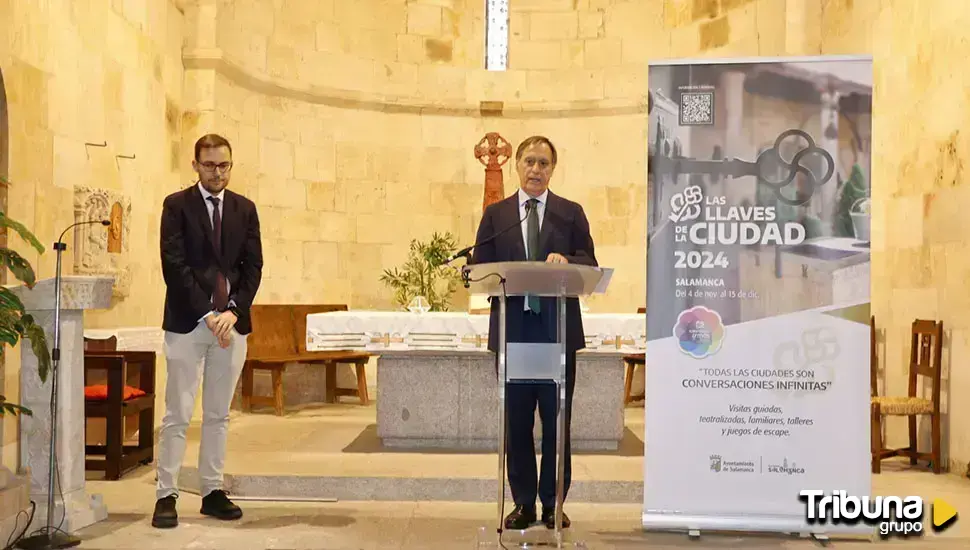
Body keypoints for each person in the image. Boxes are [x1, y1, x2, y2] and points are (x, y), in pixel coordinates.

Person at [469, 135, 597, 530]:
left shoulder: (569, 213)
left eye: (544, 163)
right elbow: (481, 267)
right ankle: (523, 503)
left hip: (556, 334)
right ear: (516, 166)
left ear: (553, 169)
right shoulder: (498, 214)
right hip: (514, 334)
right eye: (529, 161)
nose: (536, 169)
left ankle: (552, 504)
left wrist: (567, 261)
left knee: (558, 423)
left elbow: (590, 263)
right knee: (517, 423)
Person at [153, 133, 263, 528]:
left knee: (218, 414)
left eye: (224, 165)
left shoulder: (245, 209)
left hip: (232, 326)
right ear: (196, 164)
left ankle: (213, 491)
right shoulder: (176, 206)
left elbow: (253, 267)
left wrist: (232, 312)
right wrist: (209, 313)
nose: (218, 172)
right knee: (178, 414)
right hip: (189, 322)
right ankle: (166, 494)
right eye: (211, 165)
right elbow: (174, 265)